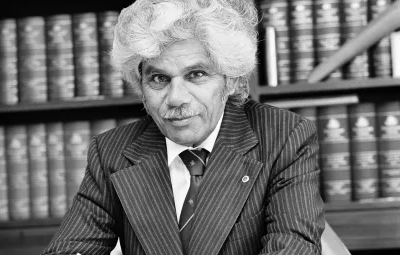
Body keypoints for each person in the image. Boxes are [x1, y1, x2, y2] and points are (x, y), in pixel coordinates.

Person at [42, 0, 325, 254]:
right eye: (159, 79)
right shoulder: (111, 152)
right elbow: (72, 247)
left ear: (230, 80)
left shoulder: (284, 137)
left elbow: (292, 246)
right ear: (140, 85)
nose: (175, 98)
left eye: (196, 74)